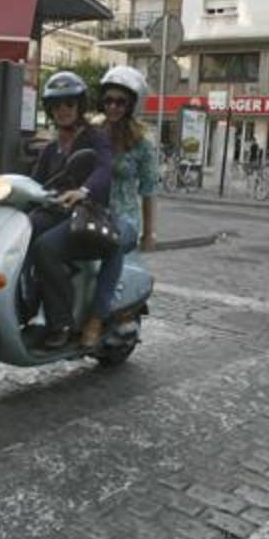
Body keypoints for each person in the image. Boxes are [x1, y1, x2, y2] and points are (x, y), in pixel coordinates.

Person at [29, 71, 113, 349]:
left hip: (85, 214)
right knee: (20, 232)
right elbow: (35, 181)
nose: (63, 110)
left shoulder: (95, 137)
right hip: (55, 213)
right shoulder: (51, 147)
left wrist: (84, 190)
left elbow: (103, 169)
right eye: (56, 105)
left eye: (69, 103)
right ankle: (25, 306)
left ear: (79, 105)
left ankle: (61, 323)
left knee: (45, 248)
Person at [81, 66, 159, 348]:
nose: (112, 106)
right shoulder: (93, 130)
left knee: (111, 243)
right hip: (91, 209)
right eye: (108, 100)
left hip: (124, 217)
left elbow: (149, 191)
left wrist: (149, 233)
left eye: (120, 102)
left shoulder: (143, 143)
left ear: (132, 105)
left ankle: (96, 318)